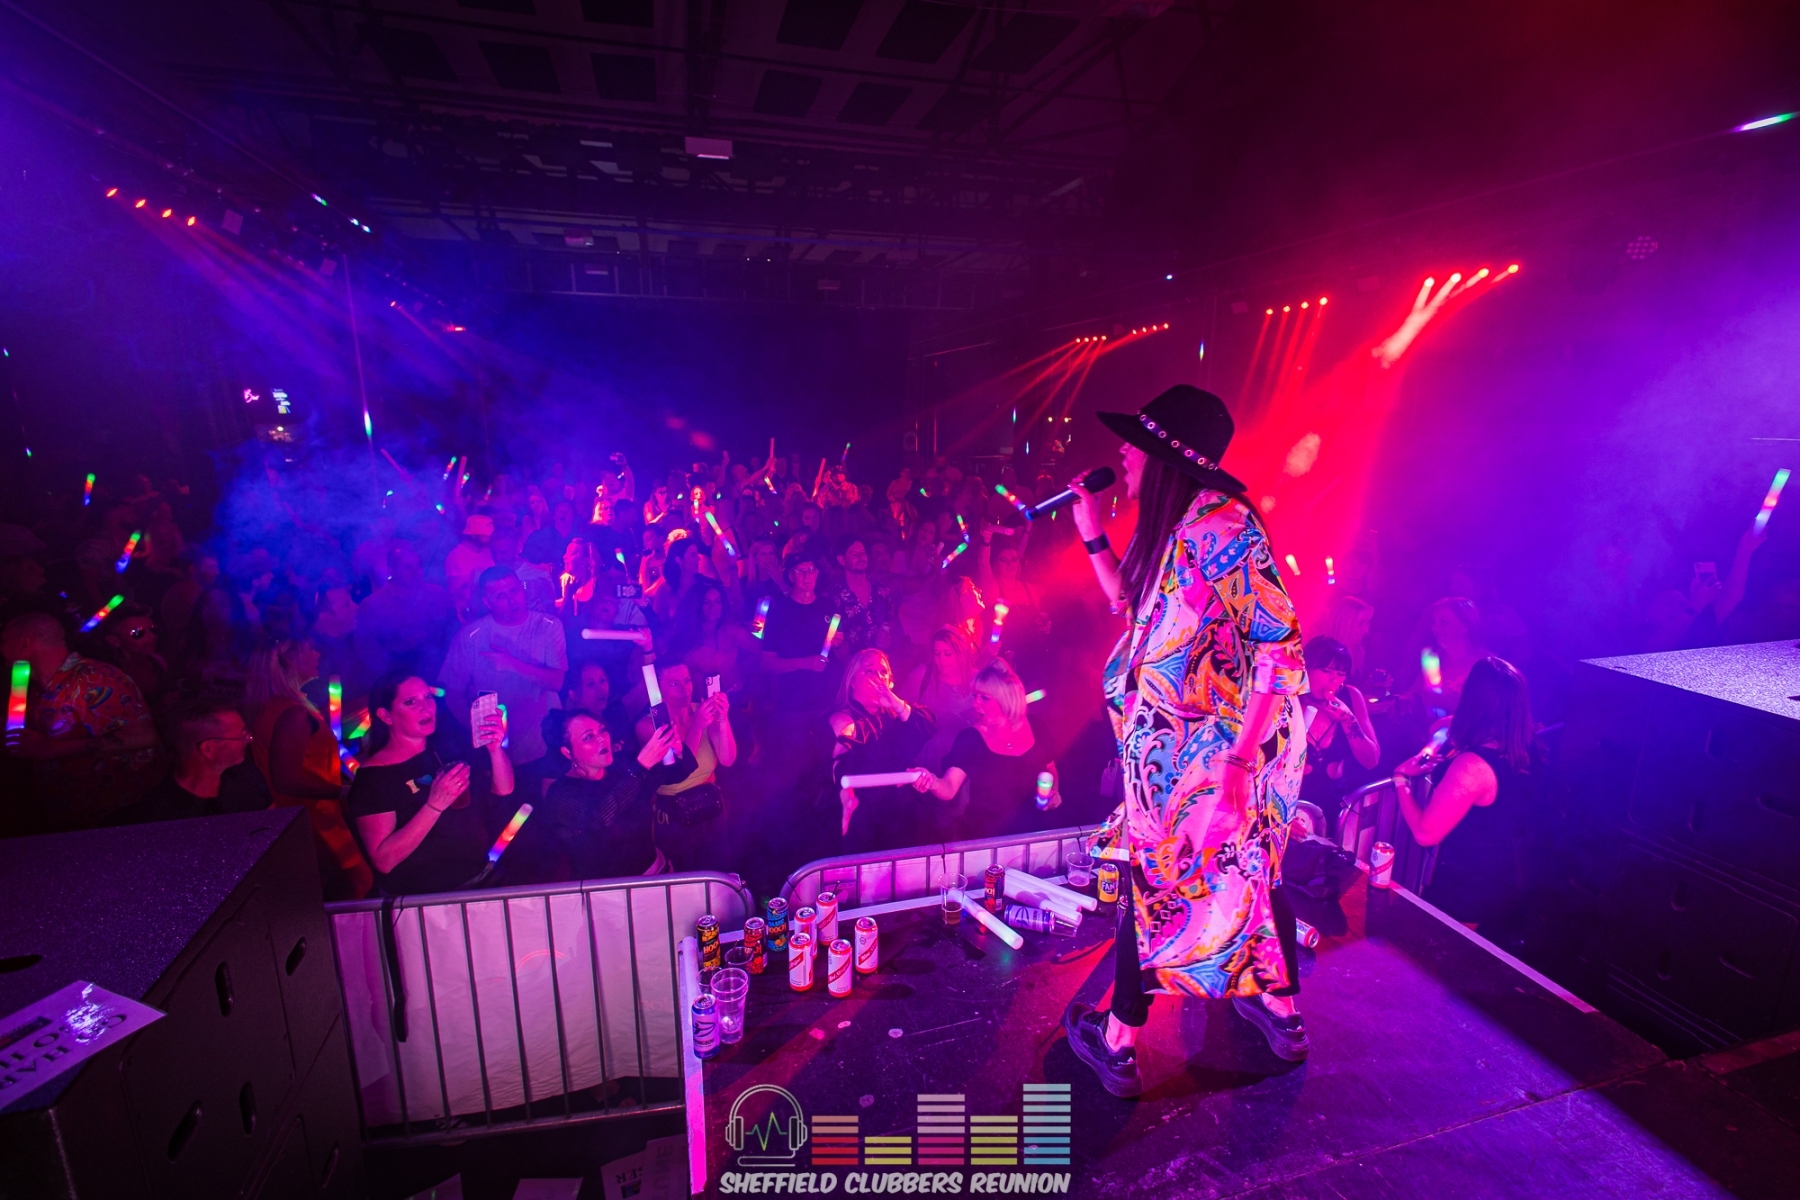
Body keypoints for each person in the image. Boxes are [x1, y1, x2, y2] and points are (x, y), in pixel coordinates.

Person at [1063, 384, 1310, 1097]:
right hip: (1184, 753)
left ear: (1165, 455)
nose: (1122, 454)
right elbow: (1129, 604)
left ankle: (1117, 1042)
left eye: (1135, 443)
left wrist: (1237, 764)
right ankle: (1282, 1013)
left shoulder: (1224, 527)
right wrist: (1090, 530)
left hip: (1220, 753)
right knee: (1248, 872)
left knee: (1158, 879)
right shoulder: (1183, 526)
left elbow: (1281, 650)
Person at [1394, 656, 1534, 935]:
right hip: (1502, 880)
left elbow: (1425, 833)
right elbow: (1442, 728)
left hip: (1466, 890)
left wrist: (1400, 779)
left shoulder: (1473, 765)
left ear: (1475, 701)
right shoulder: (1523, 749)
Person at [347, 672, 515, 894]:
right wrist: (434, 806)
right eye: (411, 702)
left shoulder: (445, 750)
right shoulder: (374, 777)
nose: (426, 707)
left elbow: (503, 789)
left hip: (478, 879)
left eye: (428, 697)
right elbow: (383, 860)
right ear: (386, 716)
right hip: (426, 899)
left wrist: (495, 751)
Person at [1, 611, 159, 831]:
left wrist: (50, 749)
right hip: (72, 815)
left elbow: (144, 737)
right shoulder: (39, 689)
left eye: (3, 641)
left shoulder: (96, 678)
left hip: (116, 820)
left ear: (23, 644)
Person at [245, 638, 372, 899]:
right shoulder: (293, 714)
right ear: (289, 661)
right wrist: (345, 792)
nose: (317, 654)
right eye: (309, 649)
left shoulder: (276, 706)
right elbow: (286, 780)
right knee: (358, 883)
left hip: (298, 818)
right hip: (313, 819)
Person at [911, 658, 1059, 840]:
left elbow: (1050, 769)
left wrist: (1053, 794)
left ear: (1006, 699)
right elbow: (949, 788)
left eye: (984, 698)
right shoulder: (971, 738)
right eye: (975, 696)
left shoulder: (1036, 727)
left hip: (1034, 834)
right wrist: (932, 781)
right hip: (985, 838)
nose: (975, 704)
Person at [523, 709, 679, 882]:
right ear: (568, 752)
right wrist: (642, 764)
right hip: (610, 890)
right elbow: (601, 815)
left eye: (602, 730)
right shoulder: (560, 794)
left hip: (656, 872)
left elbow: (668, 777)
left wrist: (674, 750)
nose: (601, 739)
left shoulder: (620, 766)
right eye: (589, 737)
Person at [438, 567, 568, 769]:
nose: (512, 599)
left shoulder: (548, 626)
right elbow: (453, 693)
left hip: (544, 741)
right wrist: (480, 731)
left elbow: (556, 682)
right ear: (487, 602)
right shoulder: (470, 637)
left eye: (514, 590)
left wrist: (512, 664)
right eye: (501, 595)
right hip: (497, 748)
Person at [831, 649, 938, 852]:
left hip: (899, 817)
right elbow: (841, 757)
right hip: (864, 819)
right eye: (869, 671)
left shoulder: (897, 715)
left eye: (883, 672)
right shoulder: (844, 718)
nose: (878, 678)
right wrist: (846, 795)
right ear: (852, 681)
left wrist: (896, 703)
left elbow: (928, 726)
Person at [634, 661, 736, 871]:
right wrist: (698, 725)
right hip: (675, 819)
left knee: (719, 876)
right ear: (658, 689)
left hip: (711, 810)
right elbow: (677, 773)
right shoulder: (648, 726)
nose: (685, 689)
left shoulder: (702, 711)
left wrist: (723, 719)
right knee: (685, 881)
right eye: (674, 684)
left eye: (687, 681)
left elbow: (727, 759)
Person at [109, 698, 270, 824]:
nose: (248, 739)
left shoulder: (248, 778)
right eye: (241, 735)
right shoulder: (156, 815)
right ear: (208, 749)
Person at [1298, 636, 1380, 837]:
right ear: (1306, 667)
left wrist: (1348, 720)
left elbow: (1371, 760)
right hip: (1292, 801)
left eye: (1340, 674)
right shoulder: (1290, 696)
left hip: (1333, 804)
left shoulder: (1351, 697)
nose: (1333, 680)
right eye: (1326, 671)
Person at [356, 544, 457, 680]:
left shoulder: (436, 594)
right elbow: (367, 651)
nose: (416, 571)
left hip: (438, 673)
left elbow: (452, 630)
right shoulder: (373, 605)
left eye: (418, 566)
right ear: (391, 570)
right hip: (395, 679)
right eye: (408, 567)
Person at [900, 625, 981, 771]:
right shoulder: (922, 675)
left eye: (947, 654)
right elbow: (898, 712)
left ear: (961, 653)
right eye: (937, 654)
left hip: (963, 765)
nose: (941, 660)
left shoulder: (978, 680)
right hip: (925, 765)